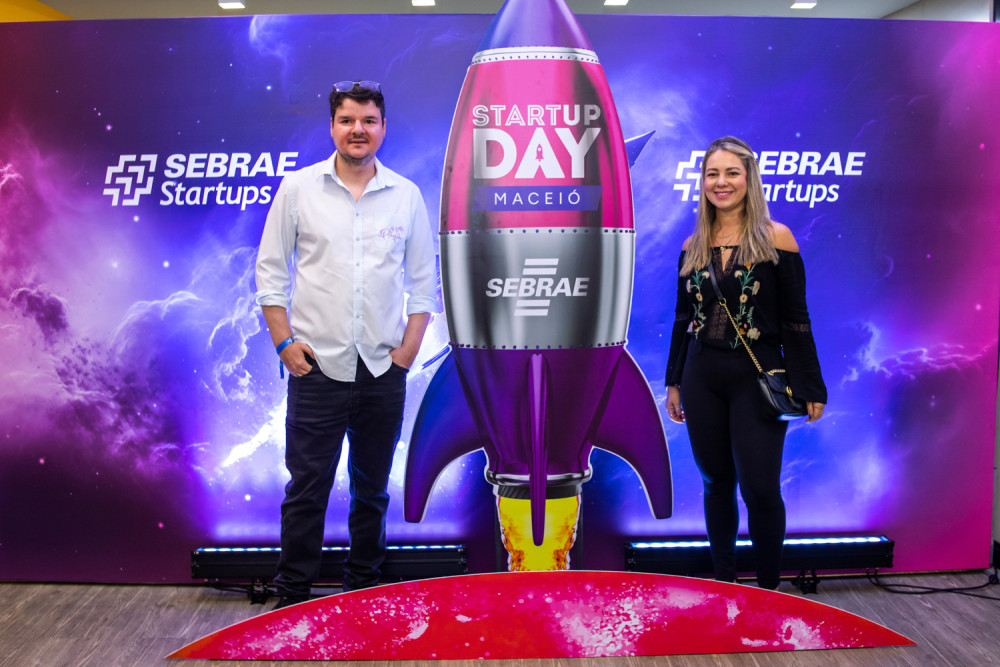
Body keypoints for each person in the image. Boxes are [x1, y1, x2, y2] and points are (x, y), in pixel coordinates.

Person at [255, 80, 439, 607]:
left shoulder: (405, 195)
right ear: (332, 126)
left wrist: (406, 354)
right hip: (315, 368)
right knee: (306, 491)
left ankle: (362, 590)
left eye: (368, 121)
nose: (358, 130)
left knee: (372, 491)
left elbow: (423, 284)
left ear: (383, 127)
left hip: (383, 371)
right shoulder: (299, 189)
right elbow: (270, 273)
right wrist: (285, 344)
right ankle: (293, 598)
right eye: (347, 120)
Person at [664, 136, 826, 590]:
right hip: (701, 377)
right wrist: (673, 382)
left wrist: (811, 386)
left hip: (757, 378)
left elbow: (796, 319)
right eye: (712, 174)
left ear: (749, 178)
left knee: (760, 488)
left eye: (731, 173)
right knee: (716, 484)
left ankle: (769, 592)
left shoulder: (777, 238)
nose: (722, 182)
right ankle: (725, 587)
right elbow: (683, 319)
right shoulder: (693, 245)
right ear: (703, 182)